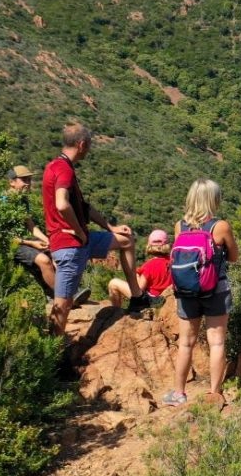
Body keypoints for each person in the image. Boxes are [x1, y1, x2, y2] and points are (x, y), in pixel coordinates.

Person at [44, 124, 148, 335]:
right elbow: (62, 204)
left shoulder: (56, 166)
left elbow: (84, 208)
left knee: (126, 240)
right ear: (82, 144)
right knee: (62, 305)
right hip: (70, 245)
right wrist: (79, 231)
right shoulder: (64, 170)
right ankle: (53, 350)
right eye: (89, 145)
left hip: (81, 241)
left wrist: (110, 227)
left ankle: (137, 297)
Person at [162, 179, 238, 407]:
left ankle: (179, 393)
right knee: (217, 342)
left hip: (186, 290)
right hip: (216, 290)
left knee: (186, 343)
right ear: (214, 200)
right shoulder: (220, 226)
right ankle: (214, 394)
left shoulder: (180, 226)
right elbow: (234, 257)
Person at [4, 164, 61, 300]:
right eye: (24, 180)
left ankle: (66, 290)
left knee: (57, 252)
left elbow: (31, 226)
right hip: (9, 242)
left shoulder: (22, 200)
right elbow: (3, 235)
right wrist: (32, 243)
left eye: (29, 180)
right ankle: (62, 297)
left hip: (22, 239)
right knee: (44, 260)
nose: (28, 183)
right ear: (12, 182)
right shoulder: (3, 202)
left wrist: (48, 241)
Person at [109, 229, 172, 307]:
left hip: (151, 300)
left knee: (113, 283)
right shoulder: (173, 261)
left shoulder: (149, 265)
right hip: (167, 297)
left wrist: (137, 276)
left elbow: (139, 289)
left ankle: (116, 311)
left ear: (149, 245)